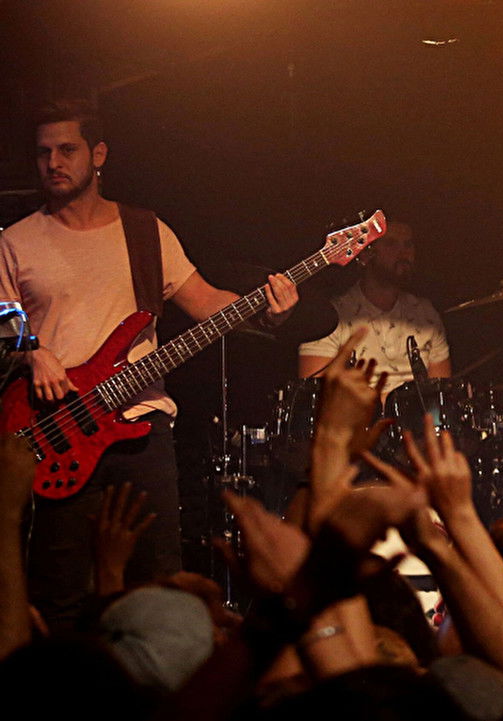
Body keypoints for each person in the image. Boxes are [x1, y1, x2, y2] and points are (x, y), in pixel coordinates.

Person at [0, 99, 298, 630]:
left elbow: (205, 302)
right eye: (44, 153)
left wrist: (268, 312)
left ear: (98, 155)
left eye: (67, 150)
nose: (53, 163)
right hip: (57, 431)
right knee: (62, 590)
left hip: (140, 428)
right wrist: (33, 350)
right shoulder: (15, 241)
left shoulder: (144, 231)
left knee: (158, 582)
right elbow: (2, 320)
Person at [298, 219, 451, 389]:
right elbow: (314, 394)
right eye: (391, 244)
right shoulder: (331, 316)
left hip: (417, 406)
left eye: (408, 244)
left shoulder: (426, 314)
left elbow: (441, 393)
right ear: (366, 254)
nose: (404, 253)